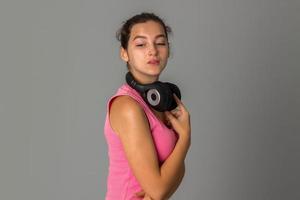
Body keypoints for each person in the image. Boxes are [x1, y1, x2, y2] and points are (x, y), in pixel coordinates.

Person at [104, 12, 191, 200]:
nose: (152, 50)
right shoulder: (128, 107)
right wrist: (184, 138)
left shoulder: (160, 104)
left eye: (160, 43)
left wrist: (160, 187)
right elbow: (159, 190)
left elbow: (178, 172)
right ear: (124, 53)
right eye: (141, 44)